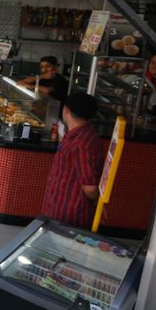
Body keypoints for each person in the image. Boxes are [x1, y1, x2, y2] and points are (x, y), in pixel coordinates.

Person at [40, 92, 104, 229]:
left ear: (66, 110)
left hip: (68, 214)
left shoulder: (82, 143)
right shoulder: (80, 134)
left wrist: (98, 203)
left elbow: (90, 188)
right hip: (58, 207)